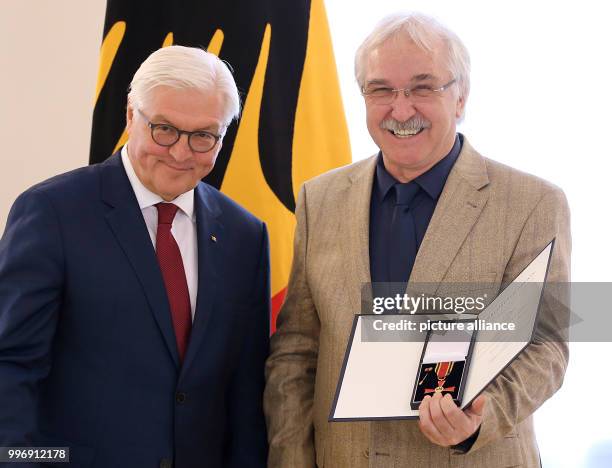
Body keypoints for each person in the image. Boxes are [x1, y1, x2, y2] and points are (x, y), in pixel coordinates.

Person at [264, 12, 570, 468]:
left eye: (423, 88)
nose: (401, 109)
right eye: (382, 89)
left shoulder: (533, 203)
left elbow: (547, 345)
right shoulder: (319, 199)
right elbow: (296, 351)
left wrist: (482, 417)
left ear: (461, 96)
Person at [0, 46, 269, 468]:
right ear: (130, 115)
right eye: (164, 129)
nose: (181, 153)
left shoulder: (244, 235)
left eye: (203, 136)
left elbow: (246, 390)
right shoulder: (52, 212)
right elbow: (10, 367)